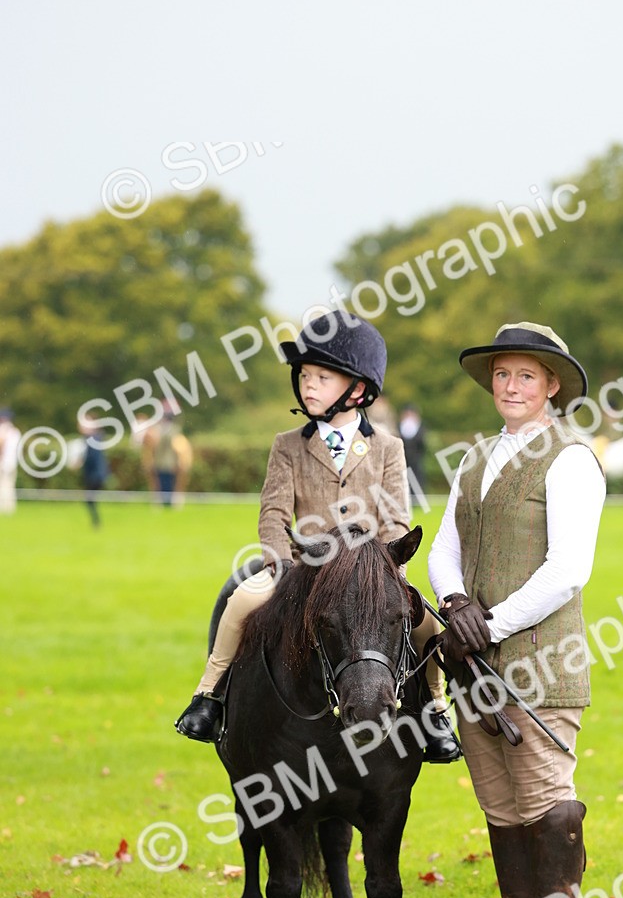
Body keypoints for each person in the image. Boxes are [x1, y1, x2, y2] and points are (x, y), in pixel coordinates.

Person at [175, 309, 460, 763]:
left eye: (322, 377)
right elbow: (272, 512)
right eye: (305, 375)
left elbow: (395, 520)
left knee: (424, 622)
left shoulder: (388, 447)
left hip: (368, 570)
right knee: (241, 601)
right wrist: (279, 562)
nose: (308, 385)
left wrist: (389, 569)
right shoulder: (287, 445)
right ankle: (209, 696)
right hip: (302, 567)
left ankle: (435, 713)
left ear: (359, 390)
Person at [428, 322, 606, 898]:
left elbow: (569, 568)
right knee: (503, 810)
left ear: (551, 385)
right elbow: (446, 546)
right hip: (475, 668)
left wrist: (490, 622)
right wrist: (455, 600)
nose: (511, 386)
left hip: (539, 665)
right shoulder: (475, 459)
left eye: (525, 375)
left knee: (548, 805)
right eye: (502, 374)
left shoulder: (571, 459)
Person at [141, 407, 193, 507]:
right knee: (165, 485)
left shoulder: (166, 431)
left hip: (165, 463)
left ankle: (166, 503)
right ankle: (166, 503)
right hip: (165, 463)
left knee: (166, 486)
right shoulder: (171, 430)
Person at [79, 417, 110, 528]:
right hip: (97, 474)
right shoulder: (96, 438)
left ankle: (96, 523)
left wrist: (79, 462)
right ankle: (96, 523)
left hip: (95, 475)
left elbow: (90, 458)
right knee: (90, 500)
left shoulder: (92, 440)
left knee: (89, 499)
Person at [398, 404, 426, 504]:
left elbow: (422, 442)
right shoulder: (400, 425)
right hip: (403, 457)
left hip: (416, 458)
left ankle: (417, 500)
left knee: (417, 478)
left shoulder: (419, 426)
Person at [0, 408, 21, 514]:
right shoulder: (16, 431)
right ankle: (9, 508)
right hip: (12, 462)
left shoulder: (4, 430)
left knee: (4, 485)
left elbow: (2, 443)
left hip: (4, 462)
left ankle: (5, 508)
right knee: (9, 485)